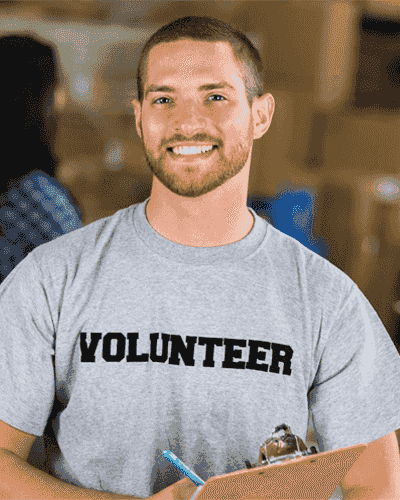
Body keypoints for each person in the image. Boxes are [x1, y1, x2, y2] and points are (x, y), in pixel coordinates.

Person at [0, 15, 399, 500]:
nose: (187, 122)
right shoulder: (51, 278)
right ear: (139, 117)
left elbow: (375, 484)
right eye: (163, 99)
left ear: (260, 115)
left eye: (215, 97)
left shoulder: (326, 299)